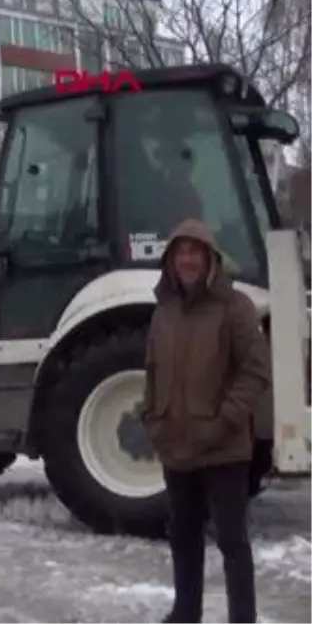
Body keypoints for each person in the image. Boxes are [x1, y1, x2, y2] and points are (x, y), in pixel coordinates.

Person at [142, 218, 270, 624]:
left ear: (210, 258)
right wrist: (152, 417)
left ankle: (242, 618)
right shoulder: (164, 310)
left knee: (232, 541)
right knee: (183, 537)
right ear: (171, 260)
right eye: (180, 252)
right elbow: (152, 369)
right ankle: (185, 613)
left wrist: (224, 421)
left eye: (195, 252)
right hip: (176, 445)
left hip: (223, 446)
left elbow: (255, 372)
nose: (188, 259)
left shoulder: (236, 307)